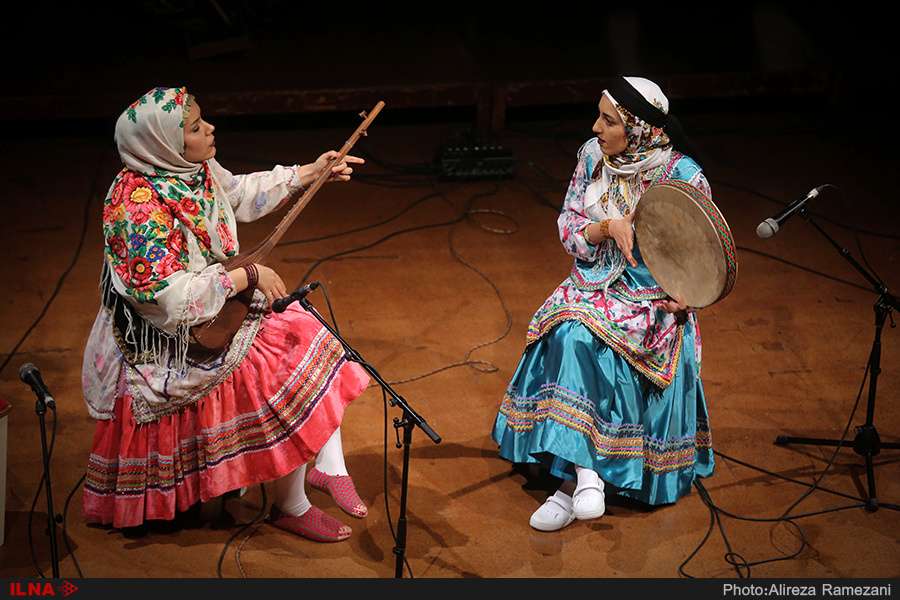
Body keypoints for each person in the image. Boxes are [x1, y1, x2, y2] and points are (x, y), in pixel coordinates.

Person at [82, 86, 369, 542]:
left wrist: (311, 172)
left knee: (308, 335)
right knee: (283, 361)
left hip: (213, 305)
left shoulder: (189, 168)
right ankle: (292, 503)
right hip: (169, 337)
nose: (209, 129)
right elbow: (168, 298)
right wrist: (246, 276)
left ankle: (325, 468)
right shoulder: (135, 207)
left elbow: (235, 194)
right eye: (195, 127)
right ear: (163, 143)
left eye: (203, 120)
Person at [492, 76, 714, 531]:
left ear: (637, 127)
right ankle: (588, 475)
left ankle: (570, 485)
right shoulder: (593, 159)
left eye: (608, 121)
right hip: (594, 281)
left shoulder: (682, 176)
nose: (596, 128)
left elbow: (704, 257)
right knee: (569, 326)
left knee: (582, 335)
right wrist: (607, 227)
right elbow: (569, 226)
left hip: (651, 295)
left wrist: (685, 297)